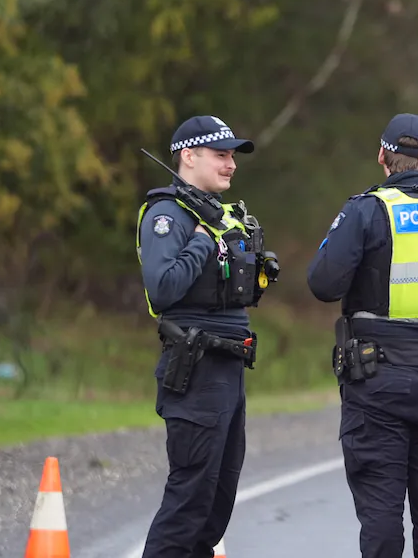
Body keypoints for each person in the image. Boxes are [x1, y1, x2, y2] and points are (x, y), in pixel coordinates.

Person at [306, 113, 418, 558]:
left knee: (382, 511)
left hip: (378, 382)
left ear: (382, 156)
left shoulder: (366, 211)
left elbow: (323, 283)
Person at [137, 115, 280, 558]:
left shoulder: (220, 216)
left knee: (217, 500)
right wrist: (202, 240)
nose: (231, 164)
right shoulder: (168, 216)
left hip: (229, 367)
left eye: (232, 156)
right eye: (221, 155)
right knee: (190, 499)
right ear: (189, 156)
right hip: (196, 368)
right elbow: (162, 290)